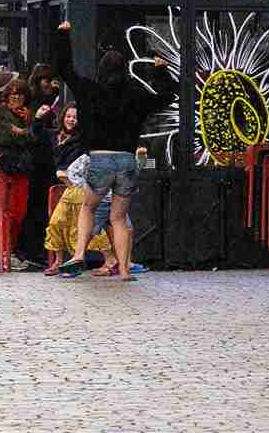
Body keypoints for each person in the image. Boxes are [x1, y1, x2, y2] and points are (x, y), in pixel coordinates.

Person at [49, 42, 176, 278]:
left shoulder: (90, 90)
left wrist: (63, 36)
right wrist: (160, 71)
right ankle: (125, 270)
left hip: (100, 158)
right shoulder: (136, 95)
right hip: (127, 161)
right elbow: (167, 96)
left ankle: (78, 255)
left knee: (88, 207)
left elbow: (65, 69)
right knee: (118, 217)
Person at [0, 70, 48, 274]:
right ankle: (3, 251)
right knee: (3, 210)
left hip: (24, 168)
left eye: (20, 94)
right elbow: (2, 138)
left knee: (19, 211)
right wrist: (23, 134)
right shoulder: (1, 112)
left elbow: (34, 138)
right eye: (13, 94)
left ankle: (12, 250)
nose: (17, 97)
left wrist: (21, 132)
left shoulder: (30, 113)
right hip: (4, 167)